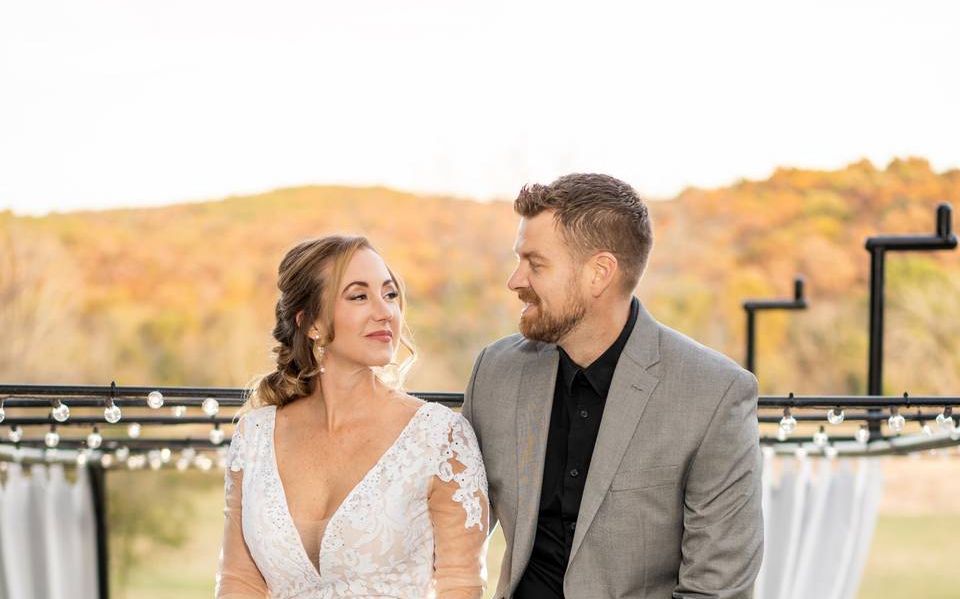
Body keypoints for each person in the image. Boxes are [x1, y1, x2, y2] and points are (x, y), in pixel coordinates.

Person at [462, 173, 763, 598]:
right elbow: (450, 527)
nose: (515, 280)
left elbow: (717, 590)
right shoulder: (495, 372)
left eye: (535, 263)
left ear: (598, 273)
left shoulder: (714, 394)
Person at [215, 235, 489, 599]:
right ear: (311, 323)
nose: (384, 311)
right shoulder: (255, 437)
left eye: (390, 294)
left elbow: (460, 585)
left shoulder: (440, 438)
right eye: (359, 296)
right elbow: (240, 582)